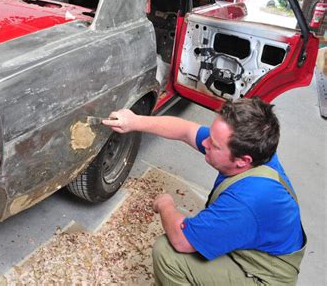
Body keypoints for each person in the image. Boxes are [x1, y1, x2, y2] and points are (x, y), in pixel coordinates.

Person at [102, 97, 305, 285]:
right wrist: (134, 122)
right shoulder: (255, 151)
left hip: (264, 277)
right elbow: (185, 130)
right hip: (256, 249)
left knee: (169, 254)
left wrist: (166, 204)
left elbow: (182, 241)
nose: (205, 143)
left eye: (214, 145)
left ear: (243, 160)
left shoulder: (246, 201)